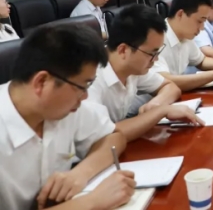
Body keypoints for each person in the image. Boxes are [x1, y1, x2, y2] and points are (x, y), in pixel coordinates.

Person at [0, 25, 136, 210]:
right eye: (82, 87)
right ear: (42, 82)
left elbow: (114, 137)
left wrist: (80, 173)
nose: (85, 96)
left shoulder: (61, 107)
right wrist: (90, 202)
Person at [86, 4, 204, 142]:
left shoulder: (132, 68)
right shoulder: (90, 80)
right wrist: (161, 111)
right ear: (123, 50)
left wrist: (157, 103)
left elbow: (171, 87)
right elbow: (106, 135)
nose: (156, 59)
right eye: (152, 53)